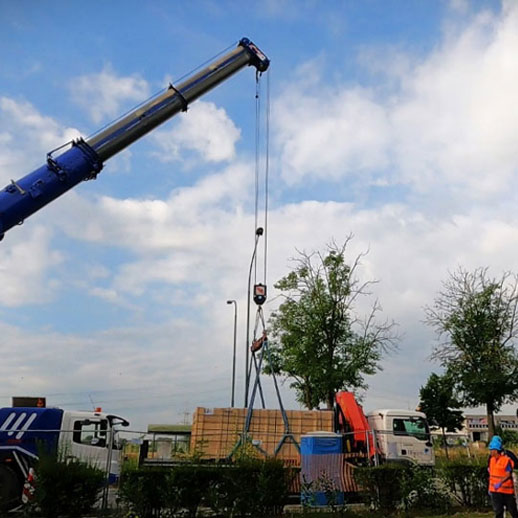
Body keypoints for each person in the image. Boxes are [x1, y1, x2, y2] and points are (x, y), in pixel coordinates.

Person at [488, 435, 518, 518]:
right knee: (498, 511)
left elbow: (508, 473)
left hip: (506, 490)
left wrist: (500, 482)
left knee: (512, 510)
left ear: (496, 450)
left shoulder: (506, 459)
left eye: (491, 450)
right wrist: (490, 487)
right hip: (495, 490)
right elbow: (491, 474)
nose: (490, 451)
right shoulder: (491, 460)